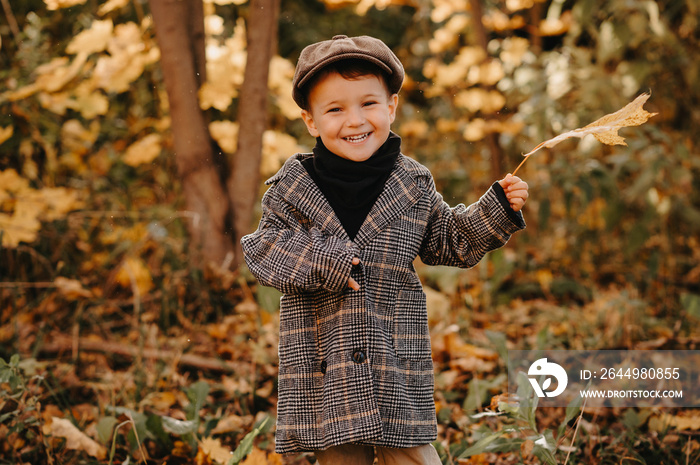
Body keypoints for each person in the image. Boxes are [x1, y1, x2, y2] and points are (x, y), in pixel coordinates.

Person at [241, 35, 528, 465]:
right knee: (341, 457)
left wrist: (495, 210)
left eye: (368, 104)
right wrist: (326, 262)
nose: (354, 120)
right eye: (335, 109)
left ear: (391, 107)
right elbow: (264, 249)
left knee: (412, 454)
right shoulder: (291, 189)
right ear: (311, 121)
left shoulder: (411, 184)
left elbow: (448, 239)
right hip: (325, 356)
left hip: (392, 350)